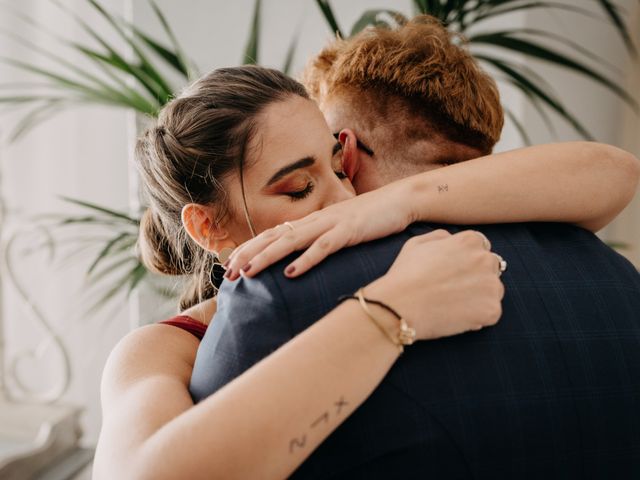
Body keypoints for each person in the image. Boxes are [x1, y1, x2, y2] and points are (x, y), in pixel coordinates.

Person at [93, 23, 639, 480]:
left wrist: (398, 202)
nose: (343, 200)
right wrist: (389, 312)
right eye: (299, 188)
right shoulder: (168, 345)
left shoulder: (399, 231)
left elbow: (616, 172)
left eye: (338, 168)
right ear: (208, 226)